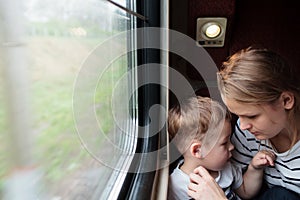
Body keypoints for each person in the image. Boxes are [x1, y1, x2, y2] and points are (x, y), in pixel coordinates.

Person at [188, 47, 300, 199]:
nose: (242, 126)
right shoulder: (248, 132)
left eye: (252, 116)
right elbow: (236, 179)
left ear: (286, 100)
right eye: (238, 116)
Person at [168, 96, 276, 200]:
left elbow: (245, 192)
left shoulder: (225, 168)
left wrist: (254, 168)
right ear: (197, 150)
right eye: (224, 143)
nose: (232, 146)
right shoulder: (176, 186)